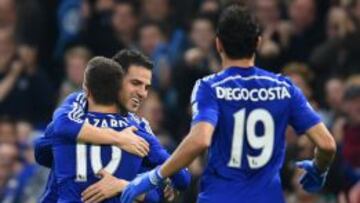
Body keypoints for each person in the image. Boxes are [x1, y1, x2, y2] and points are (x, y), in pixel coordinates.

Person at [121, 5, 337, 203]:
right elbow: (327, 144)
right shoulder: (285, 88)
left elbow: (200, 139)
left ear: (218, 44)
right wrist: (319, 169)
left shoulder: (210, 87)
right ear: (258, 43)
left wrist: (155, 176)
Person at [35, 50, 190, 202]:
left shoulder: (73, 117)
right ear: (117, 80)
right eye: (135, 83)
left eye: (146, 87)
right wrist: (119, 139)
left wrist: (124, 185)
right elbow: (178, 180)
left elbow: (42, 151)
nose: (143, 93)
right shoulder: (137, 131)